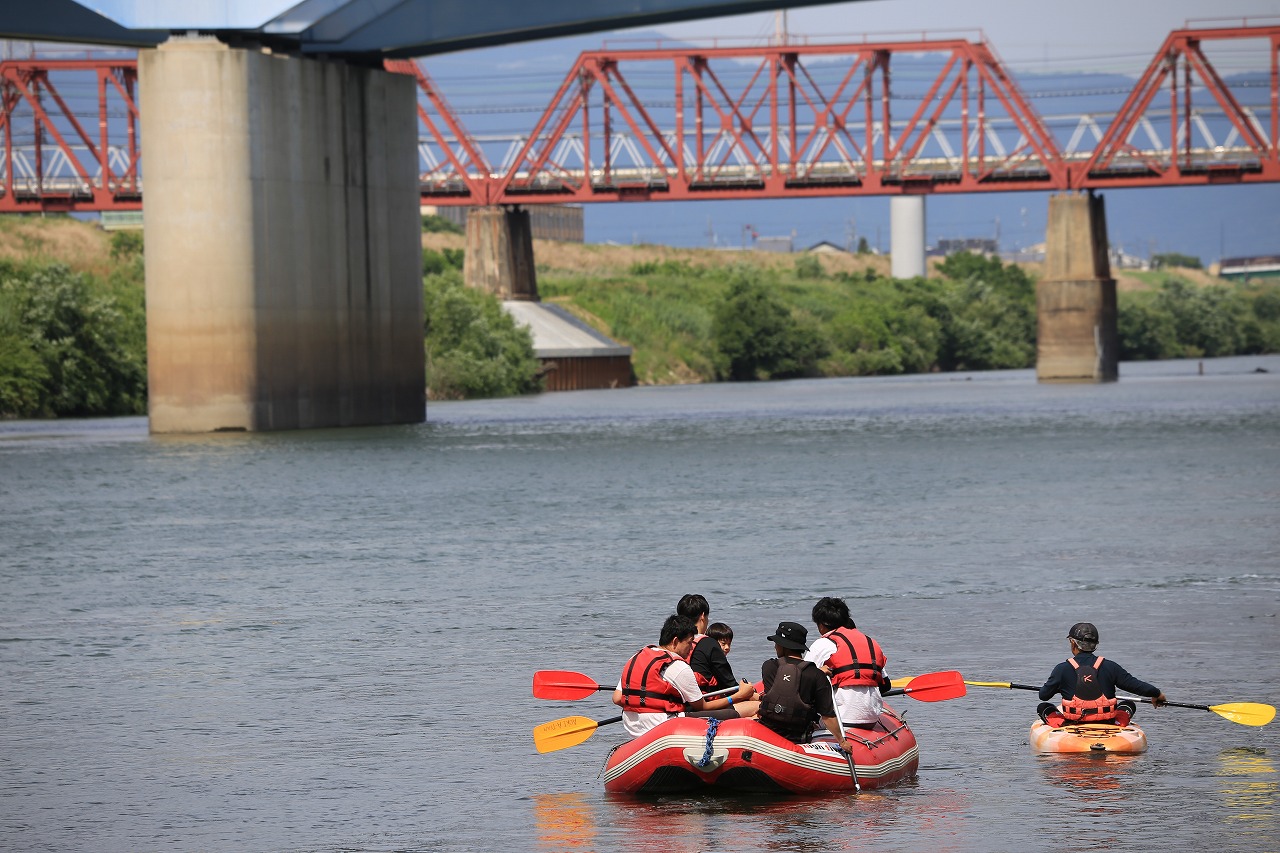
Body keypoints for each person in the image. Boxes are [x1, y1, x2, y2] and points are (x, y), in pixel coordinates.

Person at [613, 614, 755, 738]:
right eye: (689, 643)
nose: (691, 648)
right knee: (753, 707)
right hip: (661, 725)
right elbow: (702, 707)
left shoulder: (635, 657)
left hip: (633, 728)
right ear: (675, 641)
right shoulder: (678, 666)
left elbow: (618, 698)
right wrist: (738, 696)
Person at [1038, 622, 1167, 727]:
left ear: (1073, 643)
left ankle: (1063, 726)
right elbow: (1135, 685)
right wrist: (1157, 694)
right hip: (1108, 723)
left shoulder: (1062, 669)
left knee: (1044, 707)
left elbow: (1044, 695)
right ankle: (1117, 725)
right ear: (1095, 645)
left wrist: (1059, 687)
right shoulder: (1110, 666)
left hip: (1073, 723)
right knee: (1128, 704)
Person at [757, 621, 852, 752]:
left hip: (767, 732)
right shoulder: (817, 675)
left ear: (783, 645)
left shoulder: (768, 666)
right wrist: (842, 741)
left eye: (776, 643)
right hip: (797, 737)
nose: (775, 647)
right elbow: (828, 716)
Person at [805, 596, 890, 726]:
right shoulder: (870, 642)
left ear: (821, 625)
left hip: (841, 719)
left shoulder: (822, 643)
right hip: (871, 719)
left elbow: (801, 680)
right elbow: (886, 685)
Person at [676, 593, 757, 703]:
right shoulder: (709, 643)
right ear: (703, 616)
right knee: (756, 707)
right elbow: (729, 685)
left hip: (681, 700)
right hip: (705, 703)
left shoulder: (675, 643)